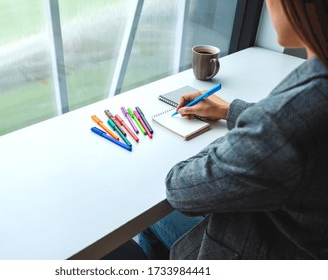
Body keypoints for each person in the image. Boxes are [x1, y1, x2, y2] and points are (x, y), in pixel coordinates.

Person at [138, 0, 328, 259]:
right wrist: (229, 111)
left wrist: (249, 131)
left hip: (264, 249)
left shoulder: (288, 121)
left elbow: (179, 188)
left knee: (148, 219)